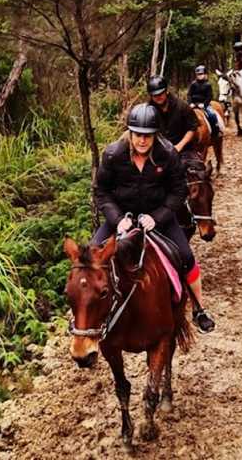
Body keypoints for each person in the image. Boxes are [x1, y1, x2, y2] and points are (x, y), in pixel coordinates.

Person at [92, 103, 216, 332]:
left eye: (148, 136)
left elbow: (179, 191)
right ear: (130, 133)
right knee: (91, 256)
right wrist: (118, 218)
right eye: (138, 135)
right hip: (121, 216)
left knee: (186, 256)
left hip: (158, 215)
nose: (142, 141)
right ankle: (86, 317)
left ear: (155, 135)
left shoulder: (167, 153)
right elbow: (101, 191)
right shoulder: (113, 154)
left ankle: (199, 308)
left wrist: (157, 218)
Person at [147, 75, 199, 165]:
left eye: (160, 94)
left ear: (166, 91)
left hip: (183, 149)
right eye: (154, 95)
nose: (158, 97)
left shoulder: (182, 107)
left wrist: (179, 146)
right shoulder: (148, 110)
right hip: (158, 150)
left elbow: (192, 128)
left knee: (197, 171)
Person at [187, 65, 220, 138]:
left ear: (205, 74)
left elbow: (209, 97)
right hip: (194, 104)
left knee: (212, 115)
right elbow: (189, 94)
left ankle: (216, 131)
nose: (200, 76)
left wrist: (204, 105)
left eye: (201, 74)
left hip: (204, 104)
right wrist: (190, 103)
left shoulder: (207, 85)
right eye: (198, 74)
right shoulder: (193, 84)